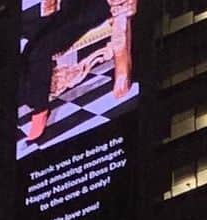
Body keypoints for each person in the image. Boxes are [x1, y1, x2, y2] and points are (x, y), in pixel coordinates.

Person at [20, 0, 136, 143]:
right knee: (29, 47)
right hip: (70, 10)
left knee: (40, 51)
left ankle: (41, 109)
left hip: (93, 8)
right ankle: (32, 98)